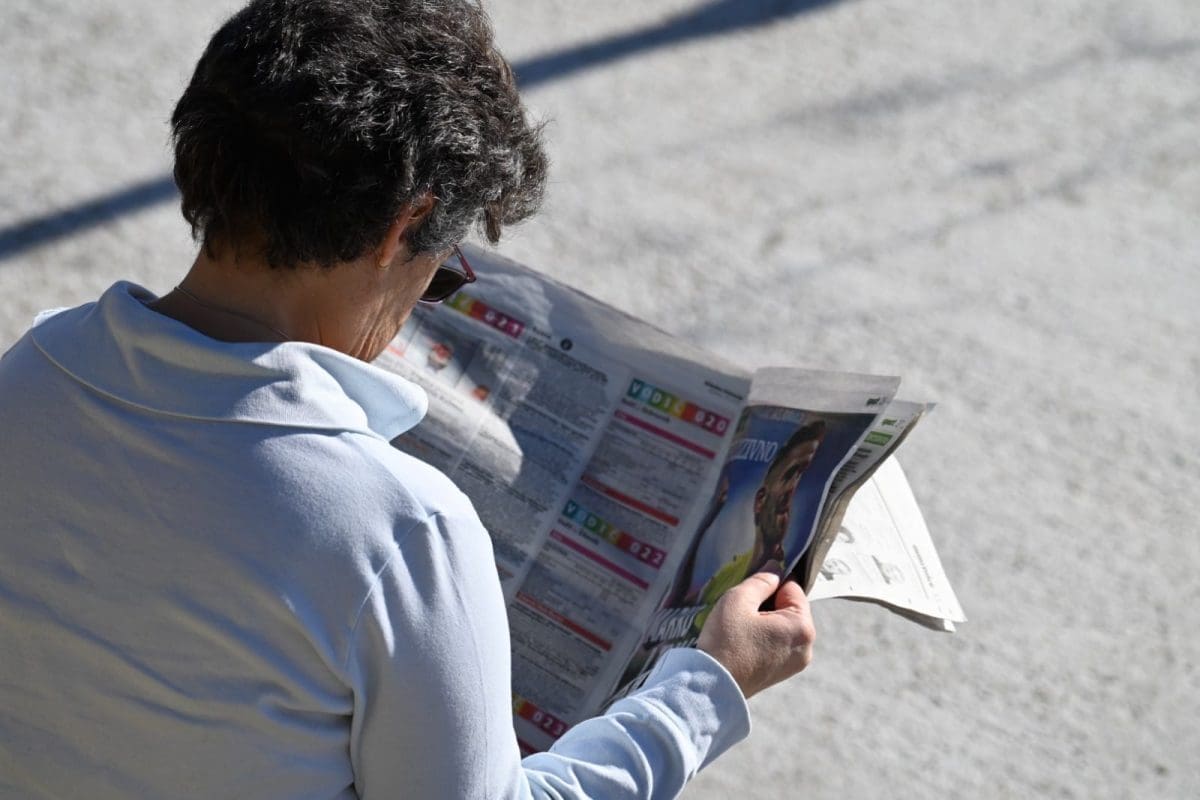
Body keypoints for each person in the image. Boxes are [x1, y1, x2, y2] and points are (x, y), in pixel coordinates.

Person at [0, 1, 815, 798]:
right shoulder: (402, 529)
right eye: (443, 271)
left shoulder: (28, 373)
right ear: (405, 225)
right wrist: (705, 689)